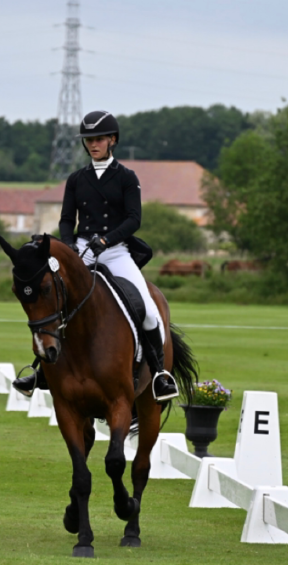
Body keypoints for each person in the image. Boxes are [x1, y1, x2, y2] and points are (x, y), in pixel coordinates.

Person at [13, 110, 178, 403]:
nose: (93, 144)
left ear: (112, 140)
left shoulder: (127, 177)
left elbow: (133, 219)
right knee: (55, 302)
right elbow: (66, 219)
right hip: (81, 252)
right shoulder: (77, 179)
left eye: (99, 139)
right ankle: (40, 372)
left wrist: (107, 240)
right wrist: (68, 247)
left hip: (115, 252)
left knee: (150, 312)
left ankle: (159, 376)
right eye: (89, 140)